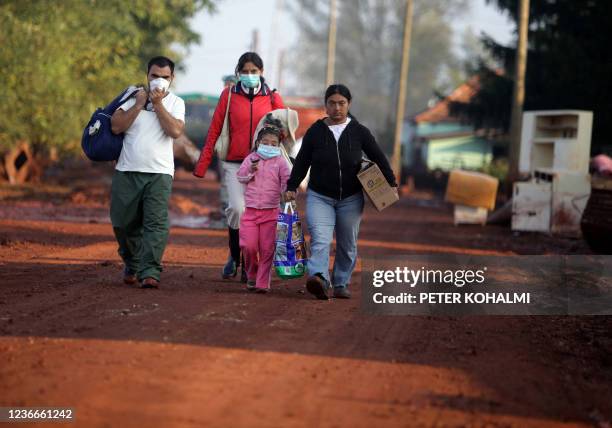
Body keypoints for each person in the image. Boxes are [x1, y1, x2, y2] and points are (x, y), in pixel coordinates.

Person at [284, 84, 397, 300]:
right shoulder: (315, 132)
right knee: (320, 239)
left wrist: (391, 181)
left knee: (347, 243)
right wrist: (292, 186)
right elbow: (302, 162)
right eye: (332, 103)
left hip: (351, 198)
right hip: (320, 196)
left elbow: (379, 157)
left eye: (341, 103)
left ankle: (341, 282)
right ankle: (319, 278)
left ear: (349, 104)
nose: (337, 108)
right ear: (325, 106)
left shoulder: (359, 132)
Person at [193, 52, 284, 282]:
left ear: (262, 73)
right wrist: (202, 165)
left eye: (254, 71)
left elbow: (286, 132)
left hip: (265, 165)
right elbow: (214, 129)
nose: (250, 75)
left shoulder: (272, 98)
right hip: (234, 163)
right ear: (238, 73)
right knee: (237, 209)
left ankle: (250, 265)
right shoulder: (229, 95)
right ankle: (235, 255)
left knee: (260, 213)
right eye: (245, 71)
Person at [109, 56, 186, 288]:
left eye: (164, 77)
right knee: (123, 223)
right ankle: (132, 262)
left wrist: (159, 103)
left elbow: (174, 131)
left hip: (159, 174)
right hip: (127, 170)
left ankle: (150, 270)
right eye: (154, 76)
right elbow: (116, 125)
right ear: (147, 76)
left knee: (155, 223)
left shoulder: (176, 102)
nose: (159, 81)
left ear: (171, 79)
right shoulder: (132, 97)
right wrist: (139, 104)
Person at [236, 122, 291, 293]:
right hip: (251, 212)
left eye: (274, 144)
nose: (269, 146)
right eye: (265, 142)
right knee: (248, 246)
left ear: (279, 147)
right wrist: (250, 170)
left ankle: (262, 282)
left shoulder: (281, 162)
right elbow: (241, 177)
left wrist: (287, 193)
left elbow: (286, 181)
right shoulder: (251, 158)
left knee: (267, 249)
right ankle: (251, 274)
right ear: (258, 143)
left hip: (271, 212)